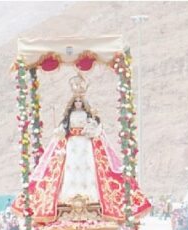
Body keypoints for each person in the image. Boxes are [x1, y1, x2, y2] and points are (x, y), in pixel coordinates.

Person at [13, 75, 151, 222]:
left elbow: (96, 129)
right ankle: (67, 198)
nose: (78, 103)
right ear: (73, 103)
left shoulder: (87, 115)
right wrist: (59, 132)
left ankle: (91, 198)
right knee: (70, 171)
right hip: (72, 145)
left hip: (85, 145)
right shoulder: (69, 116)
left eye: (80, 101)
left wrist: (91, 129)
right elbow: (63, 129)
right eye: (76, 101)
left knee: (88, 170)